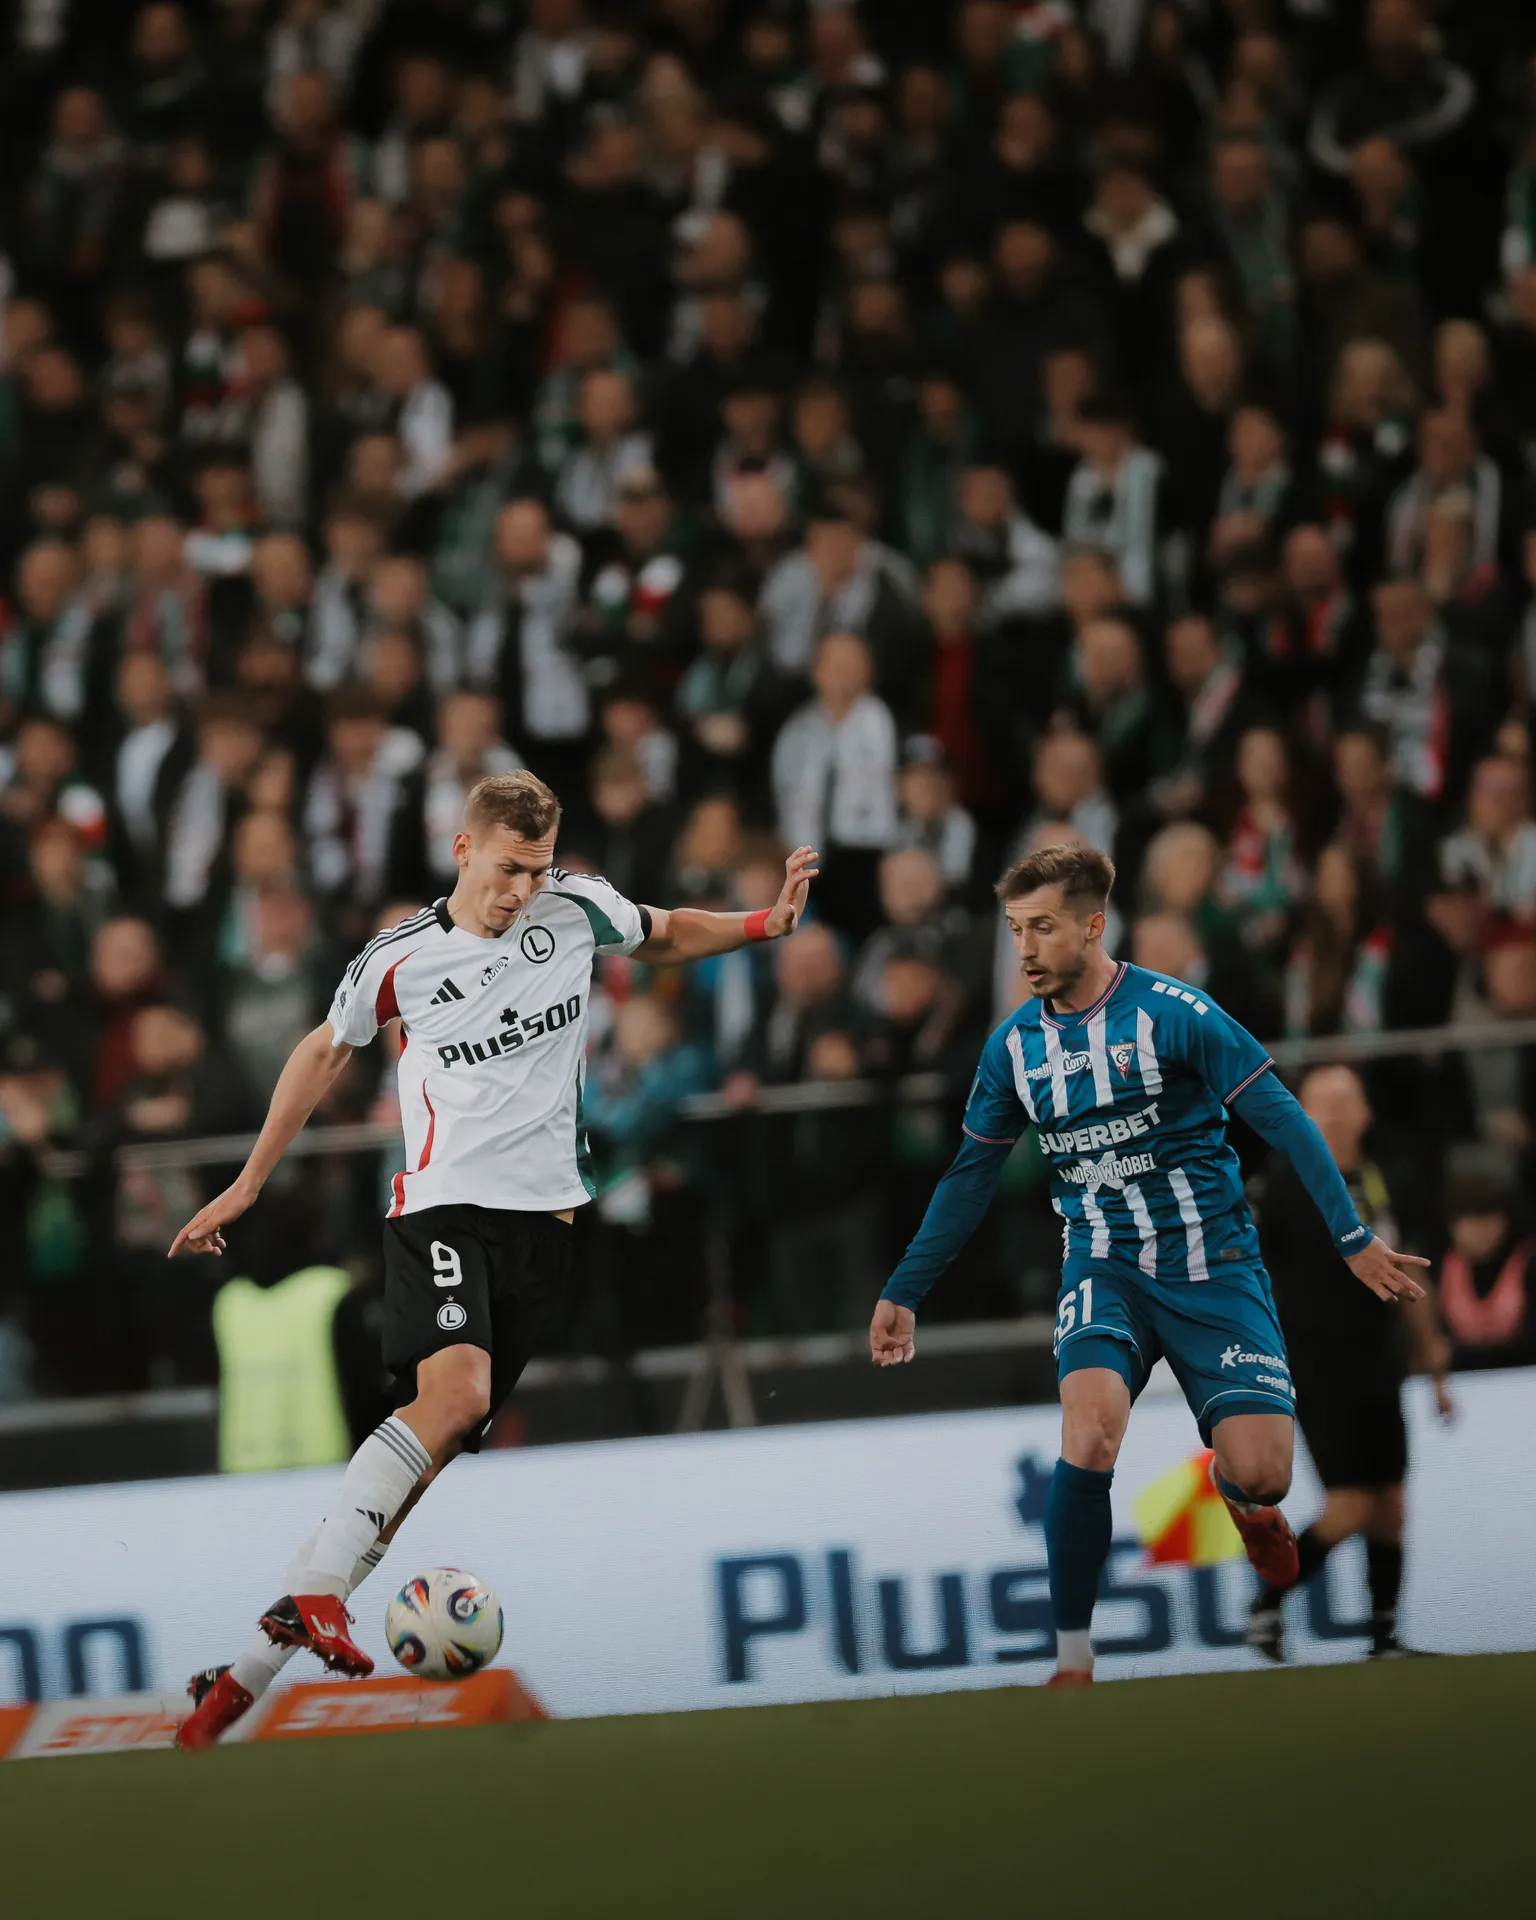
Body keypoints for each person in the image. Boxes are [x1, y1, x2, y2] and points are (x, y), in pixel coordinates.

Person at [171, 769, 818, 1746]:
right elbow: (323, 1053)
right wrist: (249, 1182)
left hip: (543, 1228)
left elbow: (669, 928)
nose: (524, 889)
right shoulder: (402, 958)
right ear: (464, 849)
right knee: (456, 1399)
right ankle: (311, 1592)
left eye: (540, 867)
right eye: (511, 867)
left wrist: (764, 923)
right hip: (441, 1210)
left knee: (420, 1463)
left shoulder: (576, 910)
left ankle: (245, 1676)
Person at [867, 843, 1427, 1686]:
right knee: (1088, 1435)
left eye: (1044, 928)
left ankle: (1245, 1505)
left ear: (1093, 927)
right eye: (1017, 929)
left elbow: (1284, 1120)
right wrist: (905, 1288)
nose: (1024, 949)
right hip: (1103, 1265)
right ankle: (1072, 1659)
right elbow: (969, 1176)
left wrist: (1352, 1238)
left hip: (1216, 1269)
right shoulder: (1012, 1049)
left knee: (1265, 1472)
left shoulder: (1179, 1014)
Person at [1248, 1064, 1451, 1661]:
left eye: (1344, 1103)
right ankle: (1267, 1605)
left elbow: (1405, 1270)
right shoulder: (1283, 1185)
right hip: (1317, 1365)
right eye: (1320, 1104)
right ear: (1299, 1116)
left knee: (1390, 1502)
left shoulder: (1374, 1180)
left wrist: (1432, 1356)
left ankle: (1383, 1637)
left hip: (1376, 1362)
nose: (1333, 1115)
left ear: (1366, 1114)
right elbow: (1246, 1276)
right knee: (1351, 1504)